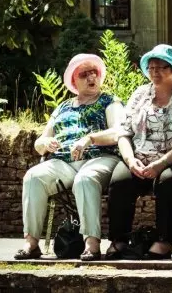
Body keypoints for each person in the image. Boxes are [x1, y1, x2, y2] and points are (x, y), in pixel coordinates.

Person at [15, 54, 125, 261]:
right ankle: (31, 243)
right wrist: (46, 143)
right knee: (33, 176)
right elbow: (40, 143)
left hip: (100, 157)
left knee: (85, 178)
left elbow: (119, 132)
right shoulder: (63, 107)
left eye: (95, 73)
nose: (92, 77)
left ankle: (91, 244)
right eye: (85, 74)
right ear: (74, 80)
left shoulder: (110, 101)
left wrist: (89, 139)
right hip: (64, 162)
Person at [106, 44, 172, 260]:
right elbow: (123, 132)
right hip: (138, 158)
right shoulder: (139, 94)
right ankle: (118, 239)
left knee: (167, 182)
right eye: (151, 68)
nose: (155, 72)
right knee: (119, 182)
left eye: (161, 67)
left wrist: (161, 164)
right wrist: (130, 160)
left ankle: (165, 240)